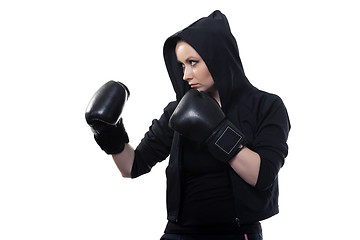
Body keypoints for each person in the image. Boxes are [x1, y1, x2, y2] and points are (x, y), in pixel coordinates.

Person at [85, 10, 290, 240]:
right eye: (182, 65)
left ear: (217, 58)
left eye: (193, 63)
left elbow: (262, 176)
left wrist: (215, 130)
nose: (186, 74)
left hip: (235, 233)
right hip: (179, 234)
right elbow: (132, 166)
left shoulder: (265, 106)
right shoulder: (179, 110)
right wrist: (109, 131)